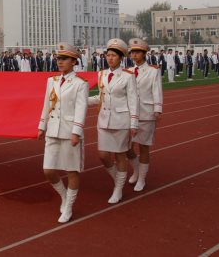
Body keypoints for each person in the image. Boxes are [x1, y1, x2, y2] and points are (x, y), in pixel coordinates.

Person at [37, 43, 89, 223]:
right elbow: (46, 104)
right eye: (58, 58)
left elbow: (81, 109)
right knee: (48, 170)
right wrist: (42, 126)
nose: (60, 62)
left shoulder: (80, 84)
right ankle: (64, 196)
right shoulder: (51, 80)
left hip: (69, 131)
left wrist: (76, 131)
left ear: (74, 61)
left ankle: (69, 207)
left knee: (72, 170)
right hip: (52, 129)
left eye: (64, 58)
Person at [88, 38, 138, 204]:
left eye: (113, 56)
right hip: (104, 119)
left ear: (121, 58)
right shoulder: (102, 74)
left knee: (120, 155)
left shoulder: (128, 76)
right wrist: (82, 100)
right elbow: (100, 97)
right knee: (103, 155)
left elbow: (133, 101)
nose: (110, 58)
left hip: (121, 120)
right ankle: (119, 179)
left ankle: (118, 189)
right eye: (108, 55)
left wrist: (133, 123)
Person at [125, 39, 163, 192]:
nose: (134, 55)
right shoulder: (127, 71)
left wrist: (158, 109)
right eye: (132, 52)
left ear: (144, 53)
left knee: (144, 148)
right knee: (127, 147)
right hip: (129, 113)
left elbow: (157, 90)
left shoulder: (153, 71)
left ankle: (141, 178)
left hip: (146, 112)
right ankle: (136, 170)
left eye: (137, 52)